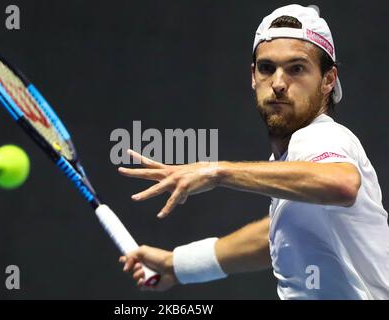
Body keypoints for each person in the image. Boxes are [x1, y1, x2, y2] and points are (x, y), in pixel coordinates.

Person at [118, 4, 389, 299]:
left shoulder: (320, 137)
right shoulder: (291, 163)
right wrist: (177, 265)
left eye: (297, 68)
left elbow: (342, 183)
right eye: (266, 68)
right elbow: (274, 237)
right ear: (253, 76)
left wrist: (217, 172)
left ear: (328, 80)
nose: (278, 83)